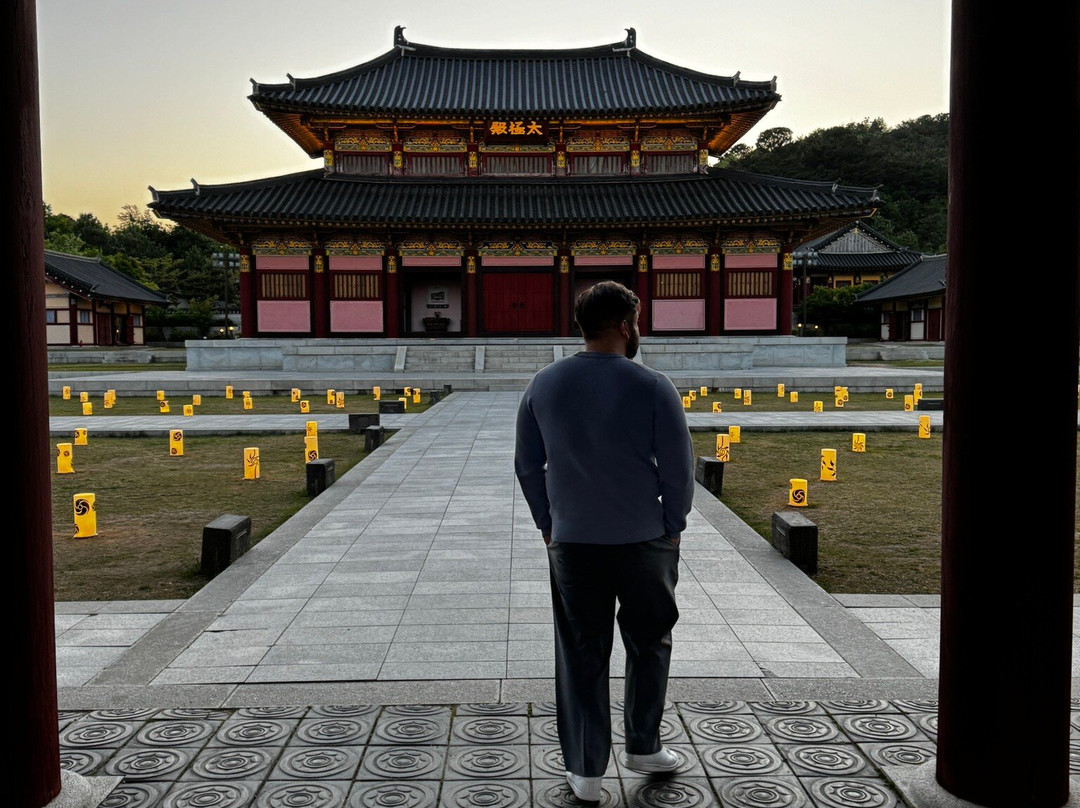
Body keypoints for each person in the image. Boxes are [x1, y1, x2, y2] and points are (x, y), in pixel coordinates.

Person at [514, 280, 695, 802]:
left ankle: (587, 770)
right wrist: (673, 524)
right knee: (649, 641)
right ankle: (643, 744)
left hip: (572, 541)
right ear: (623, 323)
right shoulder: (653, 385)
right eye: (636, 319)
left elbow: (528, 464)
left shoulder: (544, 384)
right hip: (644, 537)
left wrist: (548, 522)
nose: (637, 328)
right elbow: (678, 469)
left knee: (581, 651)